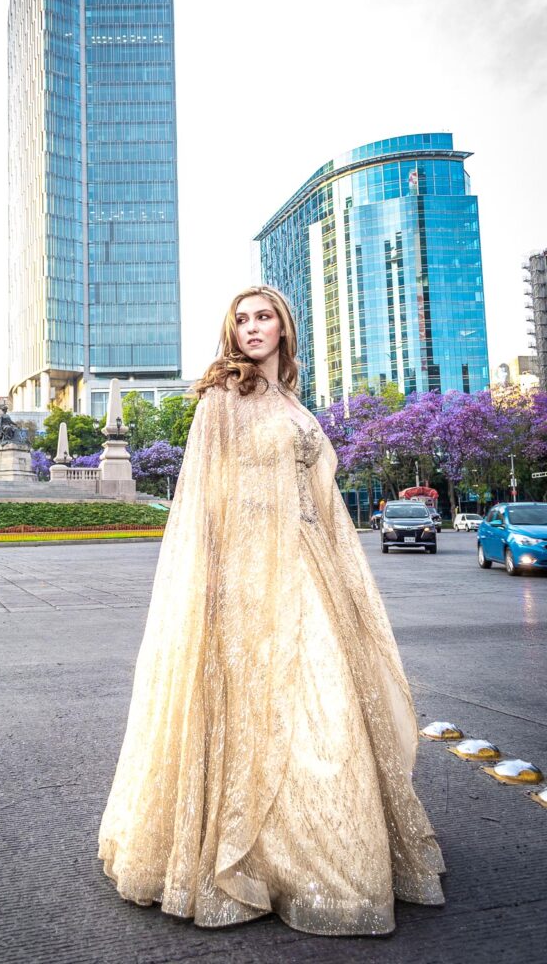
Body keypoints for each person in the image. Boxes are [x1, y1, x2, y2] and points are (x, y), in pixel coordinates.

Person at [98, 285, 445, 935]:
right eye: (242, 319)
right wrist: (213, 586)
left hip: (309, 571)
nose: (253, 328)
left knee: (329, 705)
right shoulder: (221, 401)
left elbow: (317, 499)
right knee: (256, 711)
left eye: (264, 317)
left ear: (285, 328)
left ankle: (326, 860)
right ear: (232, 331)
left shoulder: (292, 401)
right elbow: (202, 503)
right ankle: (254, 859)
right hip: (247, 575)